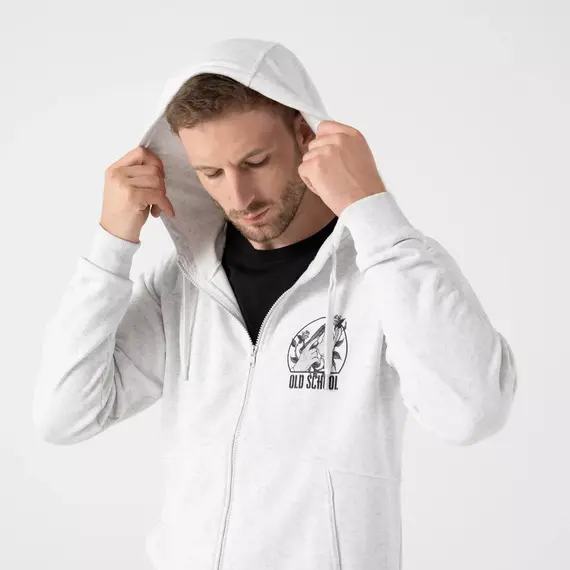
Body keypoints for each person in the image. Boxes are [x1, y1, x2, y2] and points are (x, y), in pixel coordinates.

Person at [32, 37, 518, 570]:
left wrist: (373, 213)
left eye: (255, 162)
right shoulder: (182, 284)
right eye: (211, 174)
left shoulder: (389, 267)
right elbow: (64, 416)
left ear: (306, 135)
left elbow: (471, 414)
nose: (239, 197)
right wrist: (111, 245)